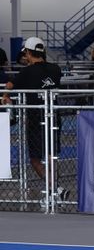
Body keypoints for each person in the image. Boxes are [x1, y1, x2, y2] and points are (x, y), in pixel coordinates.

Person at [2, 37, 62, 181]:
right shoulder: (56, 69)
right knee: (52, 155)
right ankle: (54, 191)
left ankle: (54, 189)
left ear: (28, 53)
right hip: (54, 116)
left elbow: (10, 85)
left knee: (35, 159)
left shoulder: (27, 72)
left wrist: (5, 95)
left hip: (36, 119)